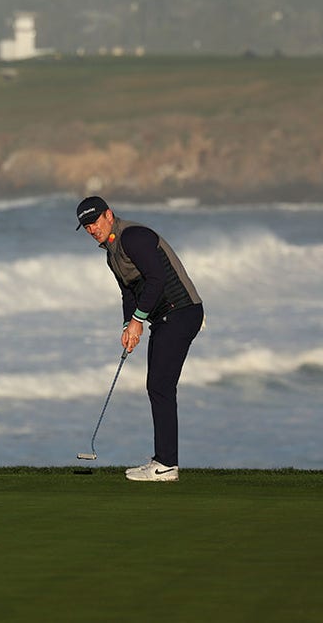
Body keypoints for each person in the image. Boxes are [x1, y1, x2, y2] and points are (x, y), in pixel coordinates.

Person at [75, 196, 204, 482]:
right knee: (158, 385)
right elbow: (129, 292)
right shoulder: (111, 251)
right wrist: (128, 324)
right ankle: (163, 461)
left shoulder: (133, 236)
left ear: (109, 215)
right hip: (164, 317)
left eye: (94, 222)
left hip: (180, 312)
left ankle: (167, 465)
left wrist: (138, 320)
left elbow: (157, 279)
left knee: (159, 386)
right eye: (86, 226)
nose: (91, 229)